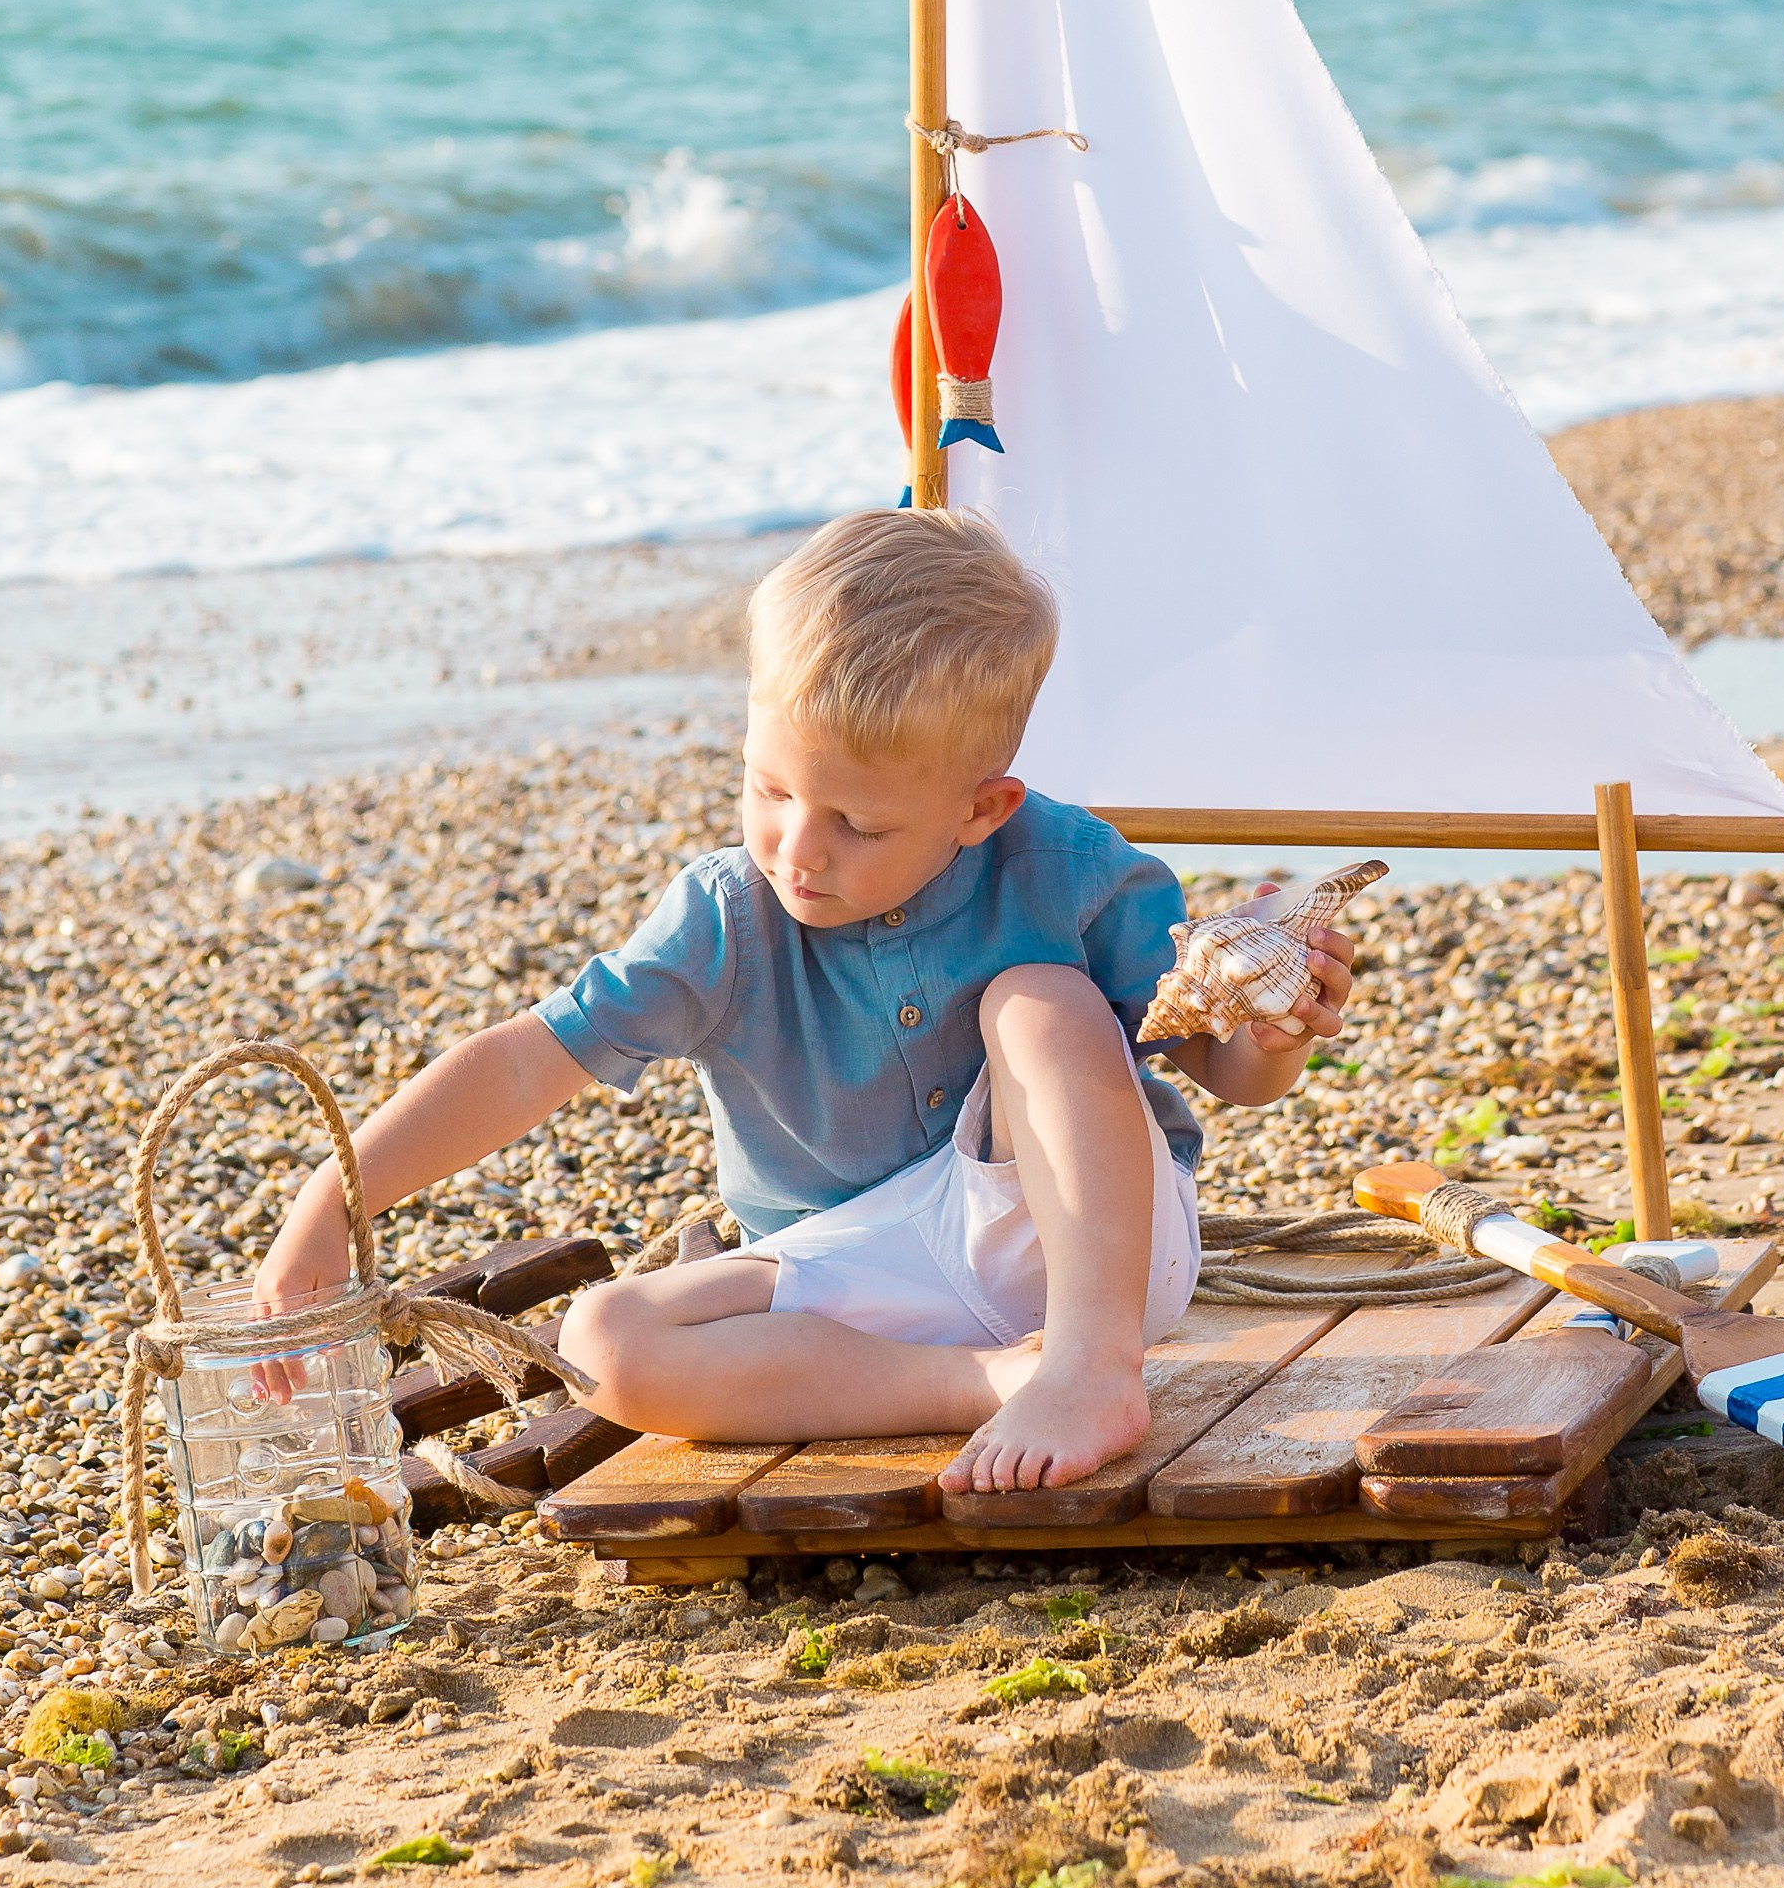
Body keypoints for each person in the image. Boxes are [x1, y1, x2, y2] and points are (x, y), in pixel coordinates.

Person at [256, 509, 1351, 1493]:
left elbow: (1224, 1071)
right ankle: (985, 1381)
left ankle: (1090, 1367)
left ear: (982, 806)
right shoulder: (725, 917)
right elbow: (525, 1060)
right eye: (769, 789)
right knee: (605, 1341)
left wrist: (1269, 1032)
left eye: (858, 824)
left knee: (1039, 999)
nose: (796, 847)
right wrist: (330, 1205)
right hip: (853, 1280)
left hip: (1090, 1251)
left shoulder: (1061, 864)